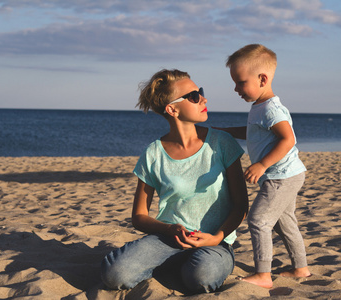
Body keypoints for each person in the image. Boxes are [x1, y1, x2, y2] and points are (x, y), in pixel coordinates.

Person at [101, 69, 249, 294]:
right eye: (194, 96)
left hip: (216, 243)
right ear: (172, 109)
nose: (203, 99)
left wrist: (216, 237)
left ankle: (181, 266)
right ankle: (172, 263)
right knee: (113, 275)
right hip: (168, 239)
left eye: (200, 92)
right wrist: (170, 229)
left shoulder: (222, 143)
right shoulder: (153, 153)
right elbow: (139, 216)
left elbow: (241, 205)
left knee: (201, 277)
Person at [217, 44, 311, 288]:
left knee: (259, 220)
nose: (236, 88)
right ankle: (300, 268)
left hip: (281, 176)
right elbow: (252, 133)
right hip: (286, 175)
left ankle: (263, 274)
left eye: (240, 82)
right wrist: (222, 132)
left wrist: (261, 165)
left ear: (262, 79)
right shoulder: (259, 107)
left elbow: (288, 139)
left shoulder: (270, 108)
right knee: (284, 221)